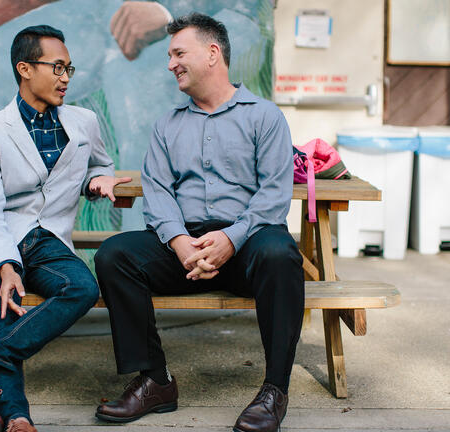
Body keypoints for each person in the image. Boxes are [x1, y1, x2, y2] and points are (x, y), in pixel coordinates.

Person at [94, 12, 303, 432]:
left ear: (212, 54)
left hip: (248, 246)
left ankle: (274, 390)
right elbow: (158, 193)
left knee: (282, 254)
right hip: (184, 250)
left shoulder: (265, 117)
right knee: (115, 254)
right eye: (169, 55)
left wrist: (230, 237)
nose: (170, 63)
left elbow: (274, 196)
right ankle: (155, 380)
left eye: (178, 53)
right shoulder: (168, 125)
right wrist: (179, 243)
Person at [0, 24, 131, 432]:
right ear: (24, 68)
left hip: (48, 240)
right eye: (56, 67)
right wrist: (7, 267)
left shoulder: (84, 121)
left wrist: (99, 182)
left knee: (82, 287)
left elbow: (100, 163)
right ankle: (18, 416)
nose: (65, 78)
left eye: (69, 69)